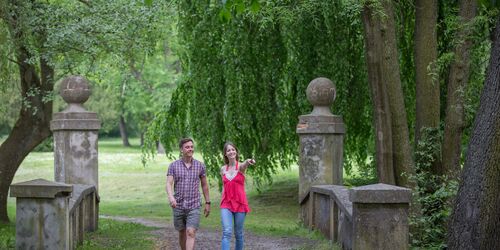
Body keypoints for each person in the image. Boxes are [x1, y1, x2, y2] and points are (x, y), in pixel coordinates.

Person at [166, 138, 211, 250]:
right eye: (187, 147)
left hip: (194, 205)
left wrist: (208, 202)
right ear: (181, 149)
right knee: (182, 233)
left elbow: (204, 185)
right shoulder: (173, 166)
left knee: (190, 232)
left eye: (191, 147)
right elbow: (168, 183)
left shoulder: (200, 166)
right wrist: (171, 197)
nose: (190, 149)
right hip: (178, 205)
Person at [219, 142, 255, 250]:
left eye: (233, 149)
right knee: (227, 231)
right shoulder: (222, 169)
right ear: (225, 154)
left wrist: (247, 162)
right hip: (226, 204)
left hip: (240, 203)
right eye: (228, 150)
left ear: (236, 151)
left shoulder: (240, 167)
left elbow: (243, 165)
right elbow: (225, 186)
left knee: (238, 233)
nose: (231, 152)